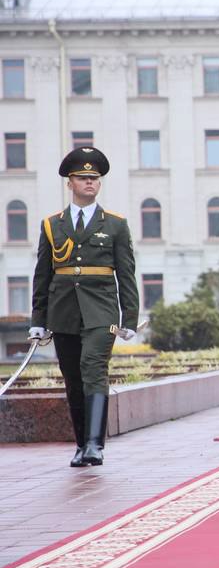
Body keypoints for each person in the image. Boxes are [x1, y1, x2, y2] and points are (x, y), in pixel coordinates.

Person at [29, 147, 138, 467]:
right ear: (70, 183)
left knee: (93, 366)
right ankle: (80, 445)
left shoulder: (116, 225)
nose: (90, 183)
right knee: (72, 377)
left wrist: (129, 317)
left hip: (101, 311)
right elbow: (42, 273)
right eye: (83, 178)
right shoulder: (52, 225)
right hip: (62, 311)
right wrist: (38, 318)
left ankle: (95, 445)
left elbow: (126, 273)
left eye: (95, 178)